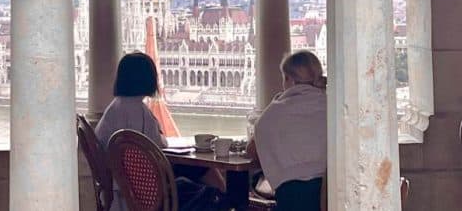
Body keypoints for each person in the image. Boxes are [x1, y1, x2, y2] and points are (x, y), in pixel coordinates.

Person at [96, 52, 228, 211]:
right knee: (203, 172)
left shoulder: (114, 109)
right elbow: (158, 144)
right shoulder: (140, 111)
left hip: (122, 184)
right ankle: (225, 197)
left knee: (192, 175)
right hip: (145, 191)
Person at [247, 50, 327, 211]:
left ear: (288, 79)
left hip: (292, 198)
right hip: (331, 195)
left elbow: (252, 152)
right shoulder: (332, 105)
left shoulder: (275, 112)